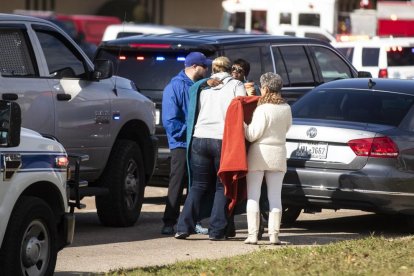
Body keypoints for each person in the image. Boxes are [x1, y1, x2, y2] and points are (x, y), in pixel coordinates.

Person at [175, 56, 247, 240]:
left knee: (198, 186)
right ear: (230, 70)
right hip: (221, 140)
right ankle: (216, 230)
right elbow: (243, 110)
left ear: (213, 69)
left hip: (199, 138)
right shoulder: (236, 85)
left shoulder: (203, 87)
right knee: (222, 186)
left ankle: (183, 227)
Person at [161, 52, 212, 235]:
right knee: (177, 182)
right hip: (181, 144)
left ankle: (193, 220)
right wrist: (189, 131)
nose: (207, 69)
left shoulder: (200, 86)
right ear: (194, 67)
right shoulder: (175, 87)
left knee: (196, 183)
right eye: (204, 66)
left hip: (197, 142)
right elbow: (170, 121)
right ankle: (169, 222)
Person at [243, 72, 292, 245]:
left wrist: (241, 124)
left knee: (253, 196)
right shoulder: (286, 108)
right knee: (275, 197)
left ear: (265, 88)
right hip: (278, 154)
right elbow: (286, 129)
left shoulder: (262, 108)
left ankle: (252, 235)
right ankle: (274, 236)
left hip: (259, 154)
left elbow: (252, 135)